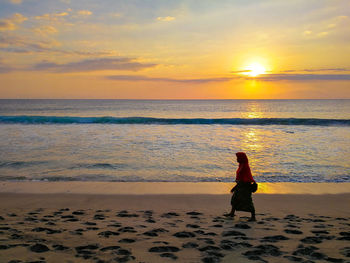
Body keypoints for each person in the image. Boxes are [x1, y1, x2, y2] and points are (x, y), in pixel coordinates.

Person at [224, 152, 256, 221]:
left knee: (247, 201)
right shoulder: (241, 165)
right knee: (235, 199)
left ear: (241, 158)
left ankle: (253, 216)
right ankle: (232, 213)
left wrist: (235, 187)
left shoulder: (245, 166)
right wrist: (236, 186)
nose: (237, 159)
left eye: (238, 158)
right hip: (240, 185)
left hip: (245, 186)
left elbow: (246, 178)